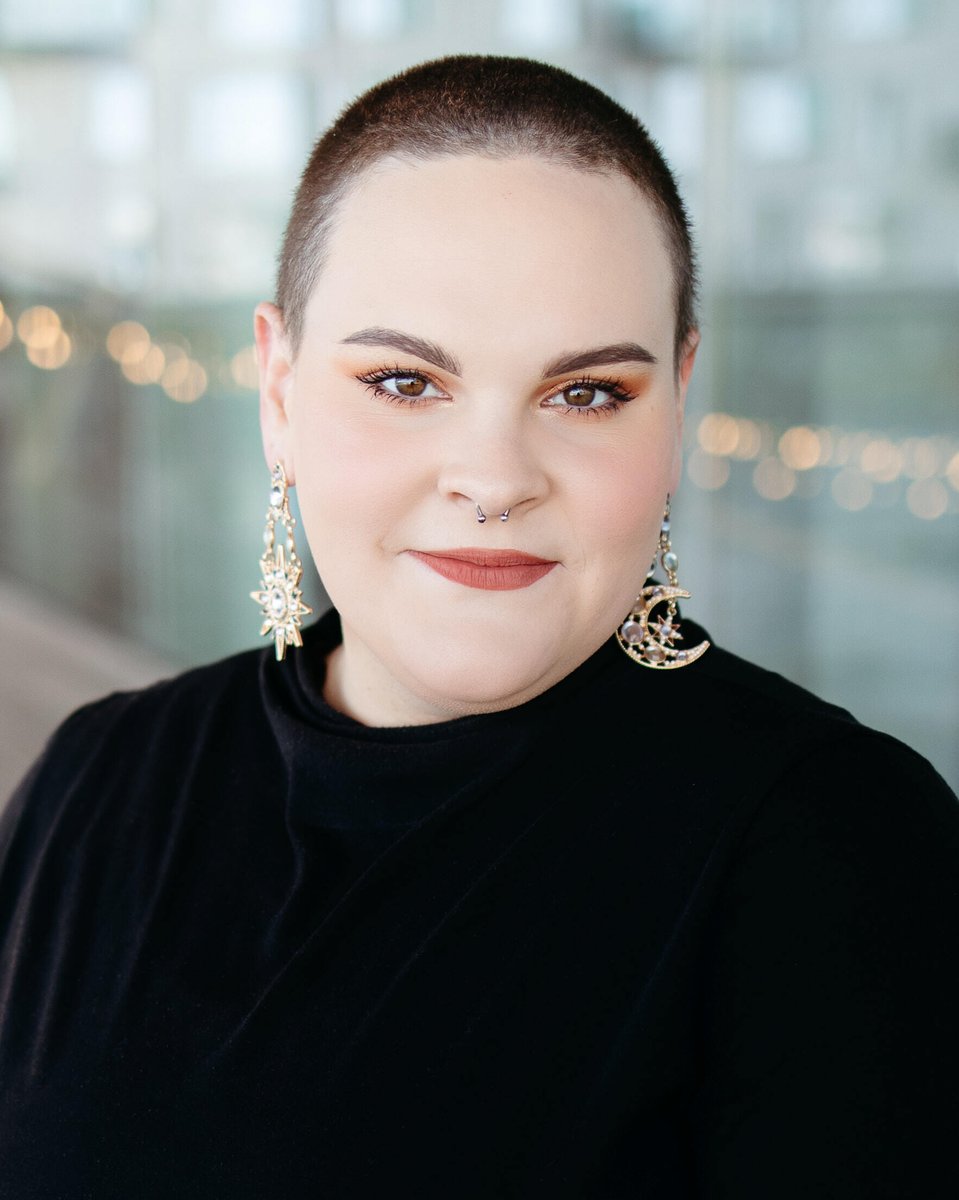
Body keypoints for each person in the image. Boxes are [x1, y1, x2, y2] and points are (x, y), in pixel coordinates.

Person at [1, 55, 958, 1199]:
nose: (494, 480)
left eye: (586, 393)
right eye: (405, 383)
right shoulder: (98, 775)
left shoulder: (837, 846)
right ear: (278, 390)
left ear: (678, 399)